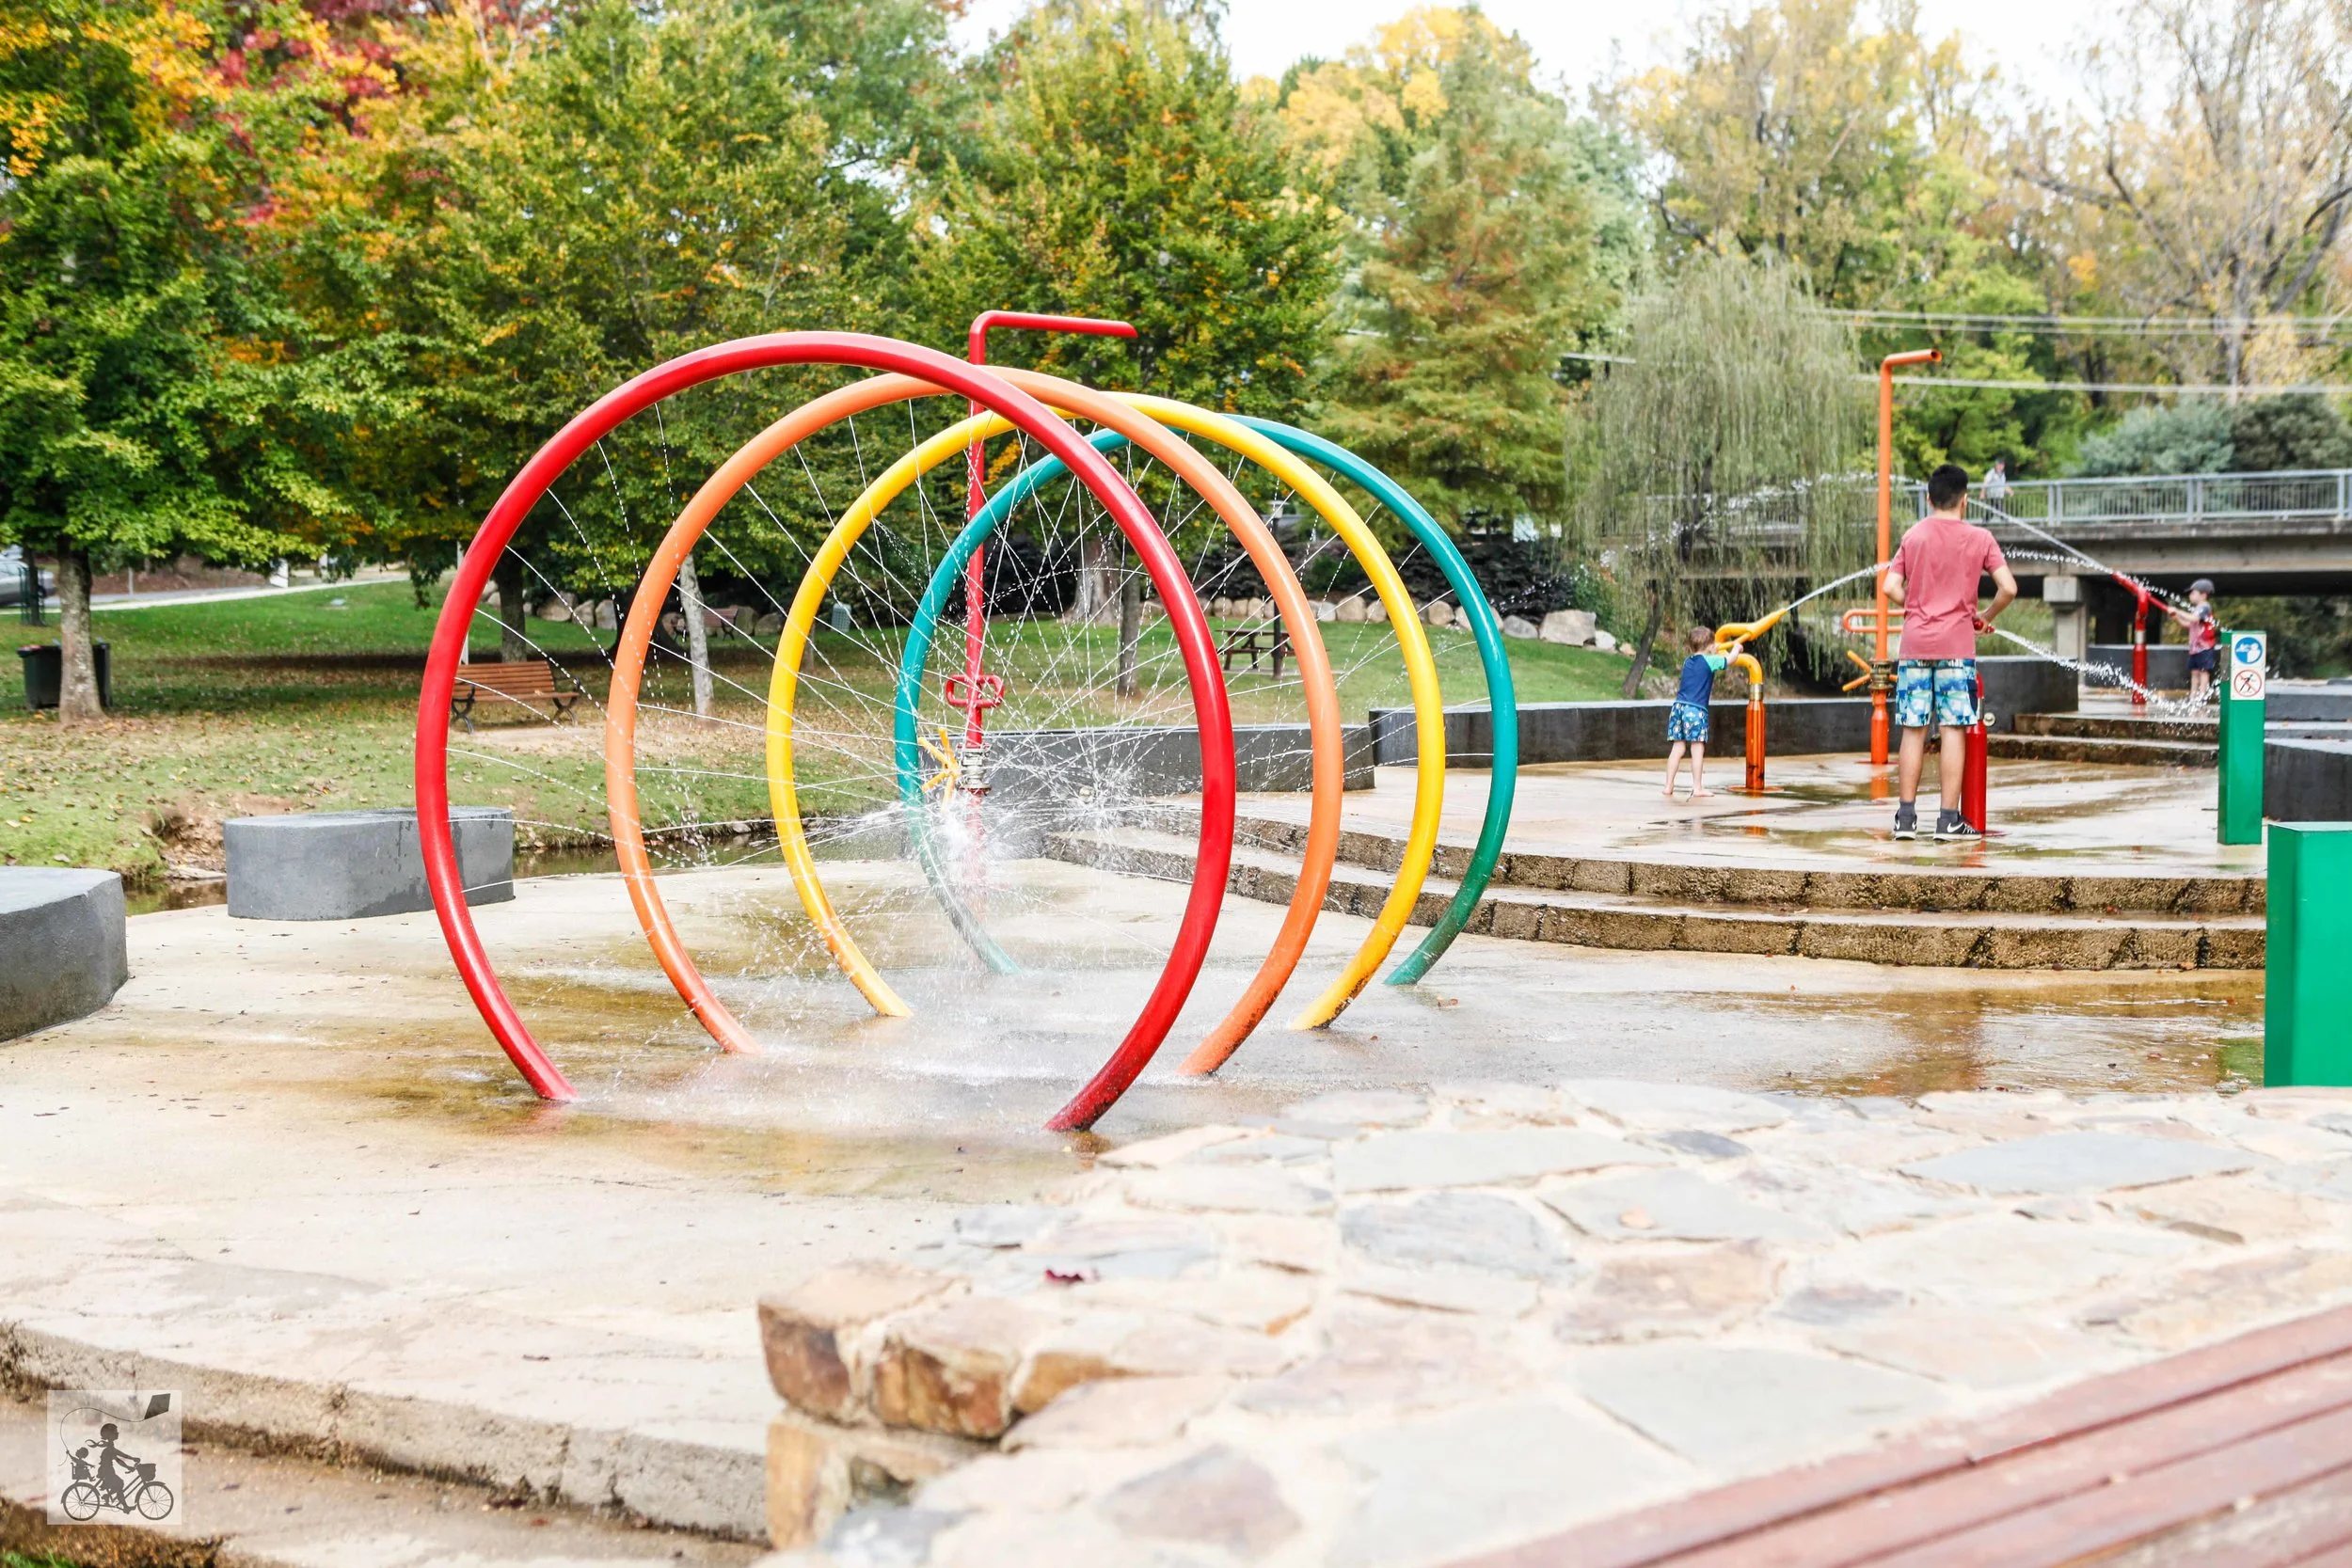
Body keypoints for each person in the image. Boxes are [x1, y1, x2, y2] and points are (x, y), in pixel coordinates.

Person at [1884, 464, 2019, 839]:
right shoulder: (1980, 538)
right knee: (1953, 729)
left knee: (1913, 729)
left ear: (1929, 499)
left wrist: (1917, 605)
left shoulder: (1913, 535)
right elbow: (2008, 588)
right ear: (1965, 500)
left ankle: (1905, 820)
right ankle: (1947, 821)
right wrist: (1985, 617)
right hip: (1957, 647)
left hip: (1914, 645)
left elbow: (1890, 586)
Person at [1662, 626, 1744, 800]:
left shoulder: (1688, 661)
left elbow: (1706, 657)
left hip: (1678, 707)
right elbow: (1730, 660)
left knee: (1678, 747)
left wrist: (1714, 649)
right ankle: (1697, 787)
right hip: (1696, 710)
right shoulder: (1710, 660)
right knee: (1697, 748)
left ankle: (1668, 786)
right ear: (1709, 646)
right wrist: (1736, 648)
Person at [2169, 578, 2219, 702]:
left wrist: (2178, 611)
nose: (2190, 595)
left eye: (2193, 593)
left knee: (2203, 671)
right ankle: (2193, 696)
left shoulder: (2205, 607)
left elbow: (2194, 619)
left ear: (2203, 595)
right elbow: (2189, 624)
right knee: (2194, 672)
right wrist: (2177, 618)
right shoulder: (2197, 609)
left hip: (2205, 647)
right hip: (2195, 648)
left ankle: (2202, 696)